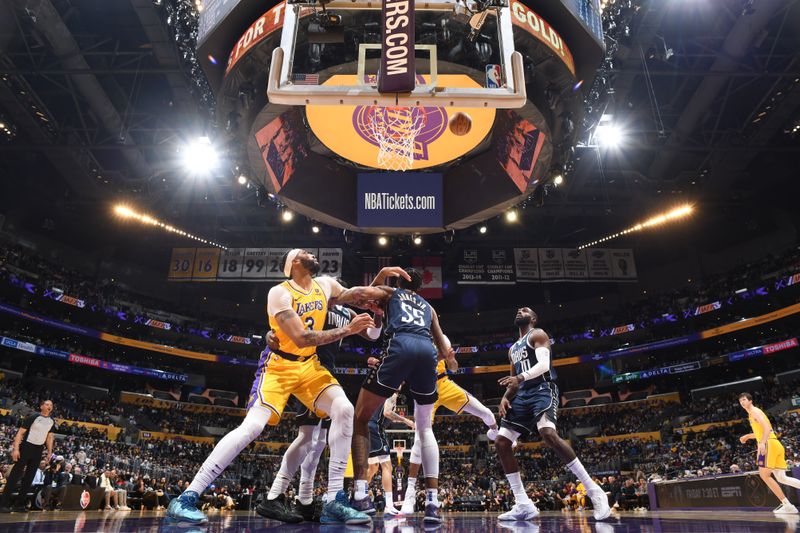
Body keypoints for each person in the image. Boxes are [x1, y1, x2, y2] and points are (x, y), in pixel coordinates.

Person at [166, 249, 401, 525]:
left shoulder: (325, 285)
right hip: (279, 366)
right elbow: (301, 338)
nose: (311, 253)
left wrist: (394, 293)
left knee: (344, 409)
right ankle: (187, 497)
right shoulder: (280, 292)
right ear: (293, 264)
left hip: (311, 366)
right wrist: (348, 330)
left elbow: (360, 293)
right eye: (304, 252)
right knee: (254, 428)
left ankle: (334, 500)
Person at [259, 279, 388, 523]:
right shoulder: (313, 301)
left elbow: (373, 334)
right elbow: (286, 322)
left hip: (325, 374)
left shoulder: (345, 311)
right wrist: (269, 334)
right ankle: (285, 495)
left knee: (316, 442)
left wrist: (377, 315)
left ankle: (303, 501)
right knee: (309, 438)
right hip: (306, 369)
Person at [348, 268, 452, 524]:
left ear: (398, 281)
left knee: (360, 418)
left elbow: (361, 298)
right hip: (427, 352)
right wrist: (422, 363)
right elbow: (446, 350)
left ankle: (361, 496)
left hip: (401, 344)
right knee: (425, 430)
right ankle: (432, 504)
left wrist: (381, 275)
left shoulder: (390, 292)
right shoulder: (428, 307)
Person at [495, 308, 610, 521]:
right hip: (523, 393)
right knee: (501, 442)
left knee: (548, 433)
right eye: (519, 310)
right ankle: (523, 504)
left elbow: (543, 365)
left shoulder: (537, 334)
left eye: (525, 310)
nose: (520, 310)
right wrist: (505, 397)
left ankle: (594, 491)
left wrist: (519, 379)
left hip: (542, 389)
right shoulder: (512, 349)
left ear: (534, 318)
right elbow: (513, 382)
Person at [400, 339, 497, 514]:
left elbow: (453, 367)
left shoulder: (441, 337)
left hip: (444, 383)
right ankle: (409, 493)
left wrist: (451, 359)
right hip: (424, 387)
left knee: (487, 413)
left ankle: (495, 432)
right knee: (418, 440)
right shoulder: (412, 338)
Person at [738, 392, 800, 514]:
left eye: (744, 399)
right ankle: (787, 505)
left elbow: (767, 428)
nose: (742, 402)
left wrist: (762, 443)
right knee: (782, 478)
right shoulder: (752, 414)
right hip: (775, 444)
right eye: (740, 401)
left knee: (764, 475)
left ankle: (787, 505)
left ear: (750, 401)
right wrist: (748, 436)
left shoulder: (754, 411)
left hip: (769, 444)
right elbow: (762, 431)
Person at [0, 399, 55, 513]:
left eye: (51, 405)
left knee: (29, 478)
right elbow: (20, 433)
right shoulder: (33, 417)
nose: (49, 406)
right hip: (26, 447)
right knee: (15, 475)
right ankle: (3, 504)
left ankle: (19, 504)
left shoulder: (51, 421)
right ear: (41, 406)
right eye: (46, 404)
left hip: (38, 450)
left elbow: (49, 437)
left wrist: (49, 452)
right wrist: (16, 449)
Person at [367, 392, 414, 515]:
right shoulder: (392, 394)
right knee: (387, 466)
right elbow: (387, 413)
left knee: (373, 468)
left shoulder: (380, 392)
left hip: (367, 426)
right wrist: (406, 421)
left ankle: (358, 497)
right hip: (376, 428)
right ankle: (388, 505)